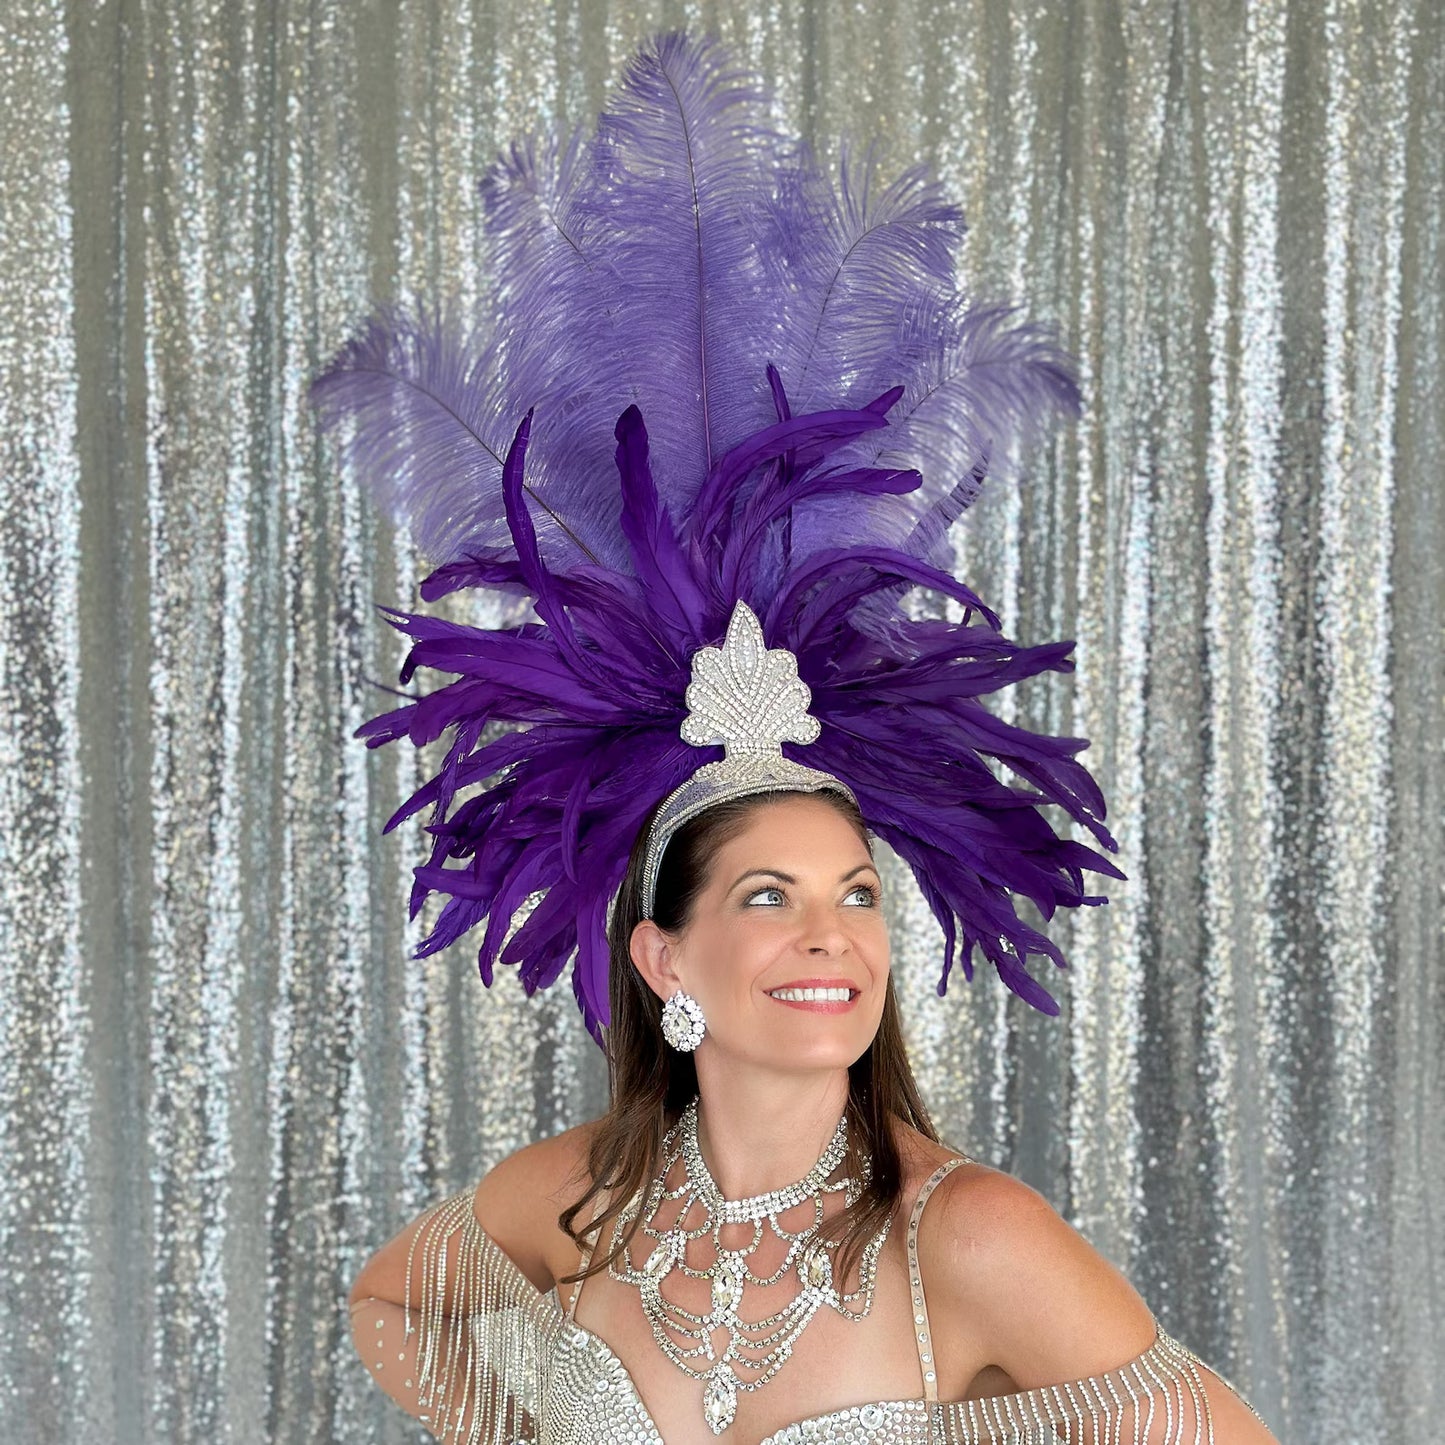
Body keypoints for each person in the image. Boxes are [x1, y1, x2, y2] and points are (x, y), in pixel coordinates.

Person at [314, 27, 1281, 1444]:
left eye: (855, 894)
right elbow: (392, 1302)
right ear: (660, 954)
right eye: (769, 895)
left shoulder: (969, 1239)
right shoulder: (584, 1197)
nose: (834, 935)